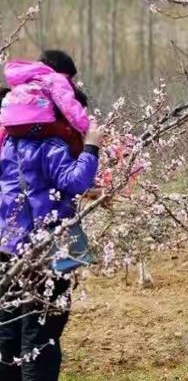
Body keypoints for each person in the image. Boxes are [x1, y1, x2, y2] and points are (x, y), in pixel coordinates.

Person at [0, 52, 102, 380]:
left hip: (7, 246)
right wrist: (91, 148)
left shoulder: (8, 145)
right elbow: (75, 181)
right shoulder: (52, 145)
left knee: (8, 328)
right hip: (46, 249)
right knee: (41, 335)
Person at [0, 51, 89, 157]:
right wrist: (87, 128)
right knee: (69, 133)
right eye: (68, 78)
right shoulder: (55, 78)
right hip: (37, 125)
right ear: (60, 72)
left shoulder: (24, 81)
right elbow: (68, 106)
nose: (69, 82)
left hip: (9, 124)